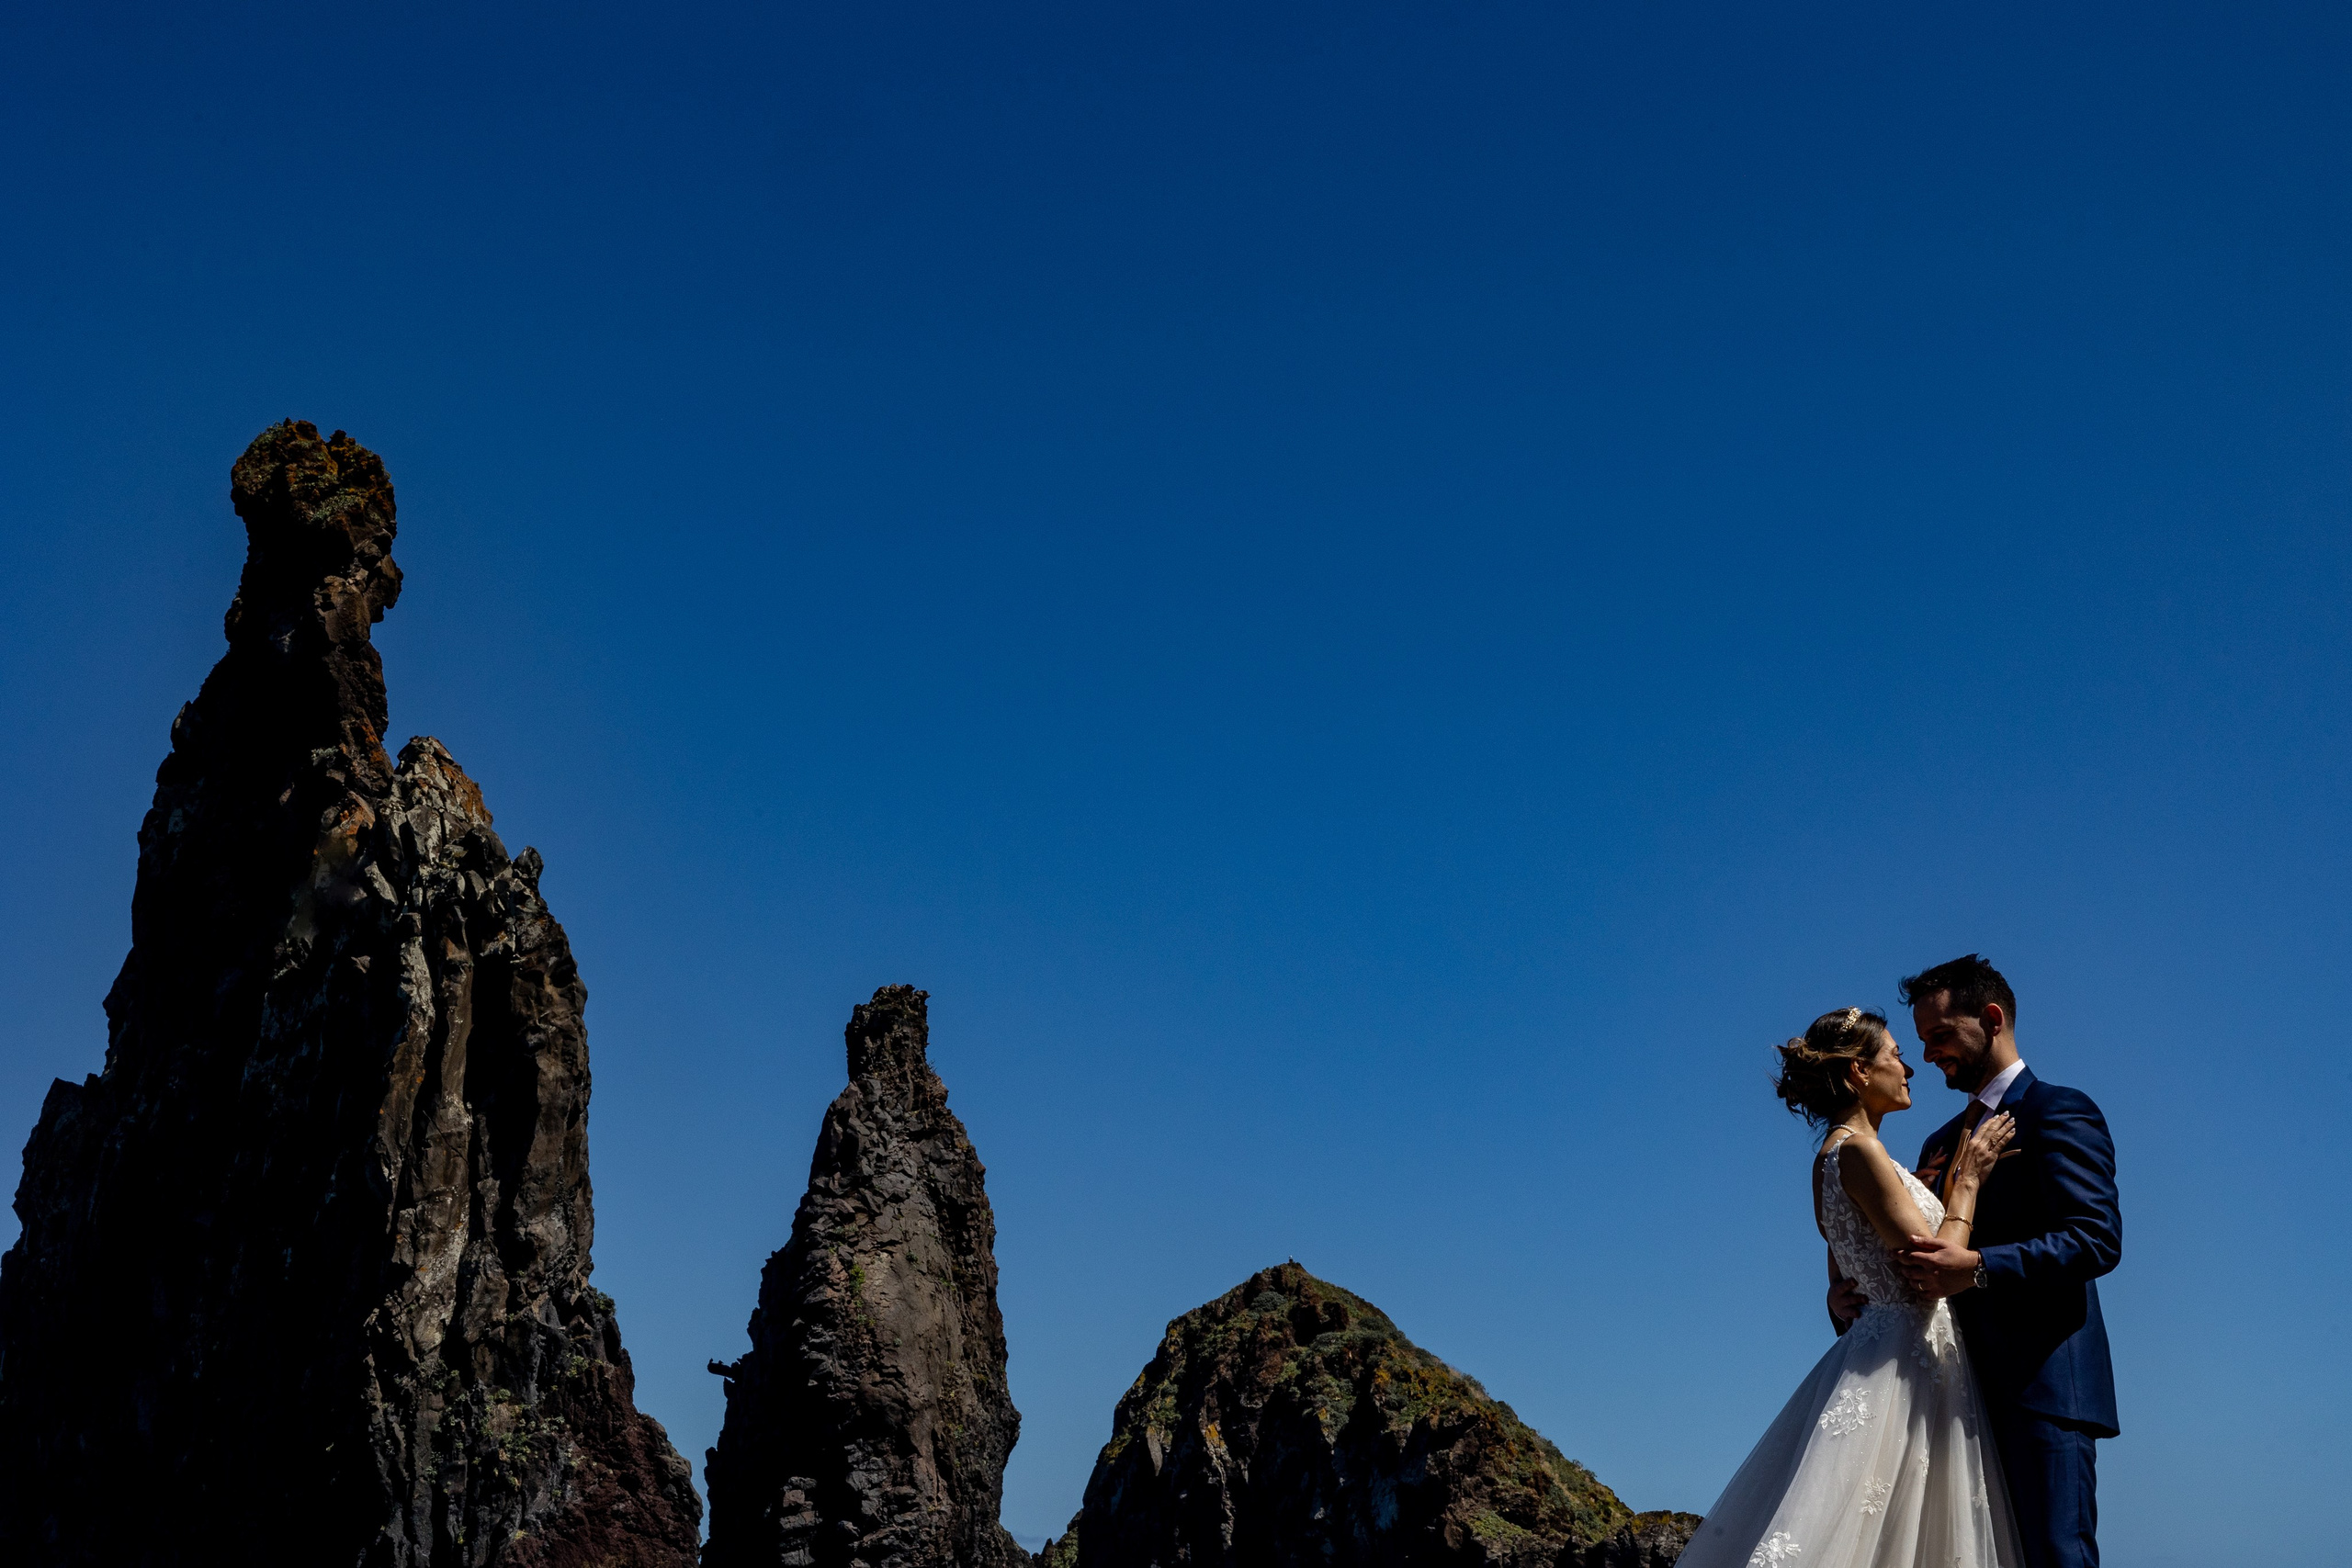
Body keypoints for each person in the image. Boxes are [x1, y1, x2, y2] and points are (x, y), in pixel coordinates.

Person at [1677, 1006, 2027, 1568]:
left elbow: (1843, 1271)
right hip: (1904, 1362)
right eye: (1896, 1056)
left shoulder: (1830, 1159)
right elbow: (1932, 1270)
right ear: (1860, 1072)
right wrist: (1968, 1182)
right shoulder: (1860, 1152)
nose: (1908, 1070)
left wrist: (1838, 1295)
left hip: (1886, 1349)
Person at [1857, 955, 2120, 1568]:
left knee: (2055, 1556)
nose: (1928, 1055)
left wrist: (1976, 1266)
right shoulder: (1938, 1141)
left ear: (1992, 1019)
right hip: (1949, 1392)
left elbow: (2095, 1239)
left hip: (2042, 1390)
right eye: (1921, 1040)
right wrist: (1850, 1295)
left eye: (1940, 1035)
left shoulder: (2058, 1111)